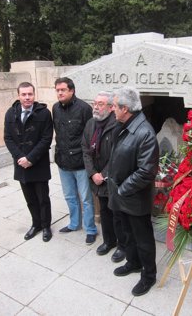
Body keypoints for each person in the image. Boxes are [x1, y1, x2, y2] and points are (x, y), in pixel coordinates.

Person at [108, 86, 159, 297]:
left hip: (134, 198)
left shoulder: (145, 133)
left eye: (114, 106)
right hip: (120, 195)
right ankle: (133, 262)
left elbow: (146, 172)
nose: (112, 109)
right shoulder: (122, 125)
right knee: (127, 234)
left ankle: (149, 276)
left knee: (143, 239)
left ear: (125, 108)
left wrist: (122, 189)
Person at [4, 82, 53, 242]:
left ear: (34, 95)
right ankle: (36, 224)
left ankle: (46, 226)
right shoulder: (10, 113)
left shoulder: (44, 113)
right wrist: (20, 158)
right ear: (18, 95)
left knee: (43, 198)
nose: (27, 97)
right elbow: (8, 138)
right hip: (21, 165)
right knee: (30, 199)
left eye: (30, 94)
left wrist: (30, 158)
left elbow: (46, 139)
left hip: (38, 163)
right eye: (24, 94)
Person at [82, 91, 126, 262]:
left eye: (100, 104)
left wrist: (104, 174)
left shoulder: (117, 125)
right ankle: (109, 241)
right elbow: (85, 149)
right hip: (97, 179)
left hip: (112, 179)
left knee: (117, 215)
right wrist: (93, 173)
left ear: (110, 107)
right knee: (104, 213)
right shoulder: (90, 124)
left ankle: (122, 246)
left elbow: (118, 154)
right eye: (95, 103)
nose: (96, 107)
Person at [52, 77, 97, 245]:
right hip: (62, 161)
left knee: (86, 198)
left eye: (63, 90)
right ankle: (74, 223)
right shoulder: (55, 108)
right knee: (70, 196)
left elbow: (90, 135)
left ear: (72, 90)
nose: (60, 93)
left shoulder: (84, 108)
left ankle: (91, 229)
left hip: (80, 163)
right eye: (57, 90)